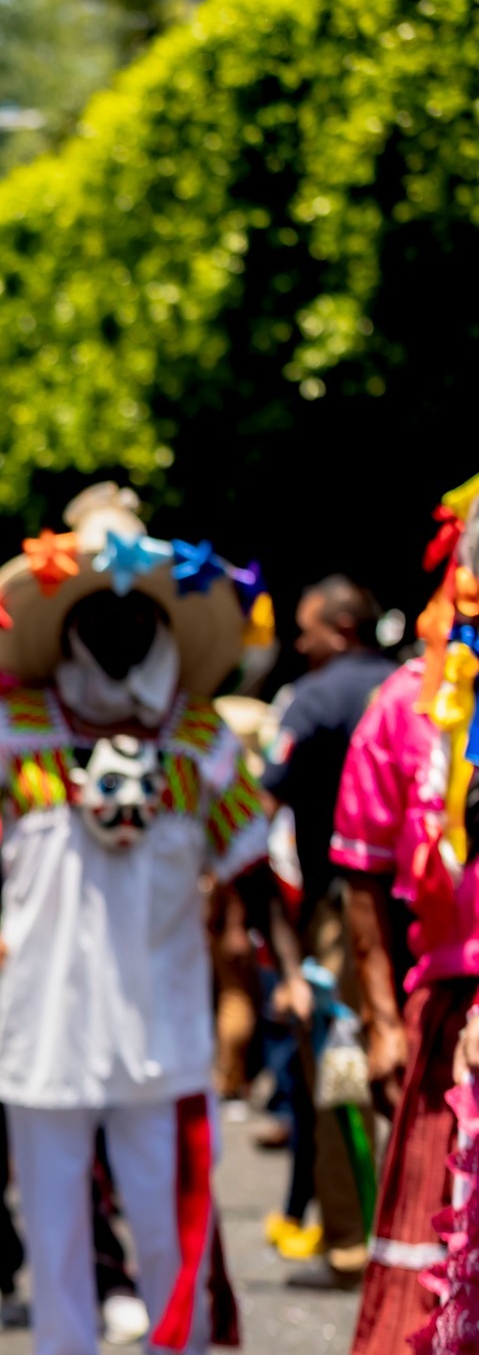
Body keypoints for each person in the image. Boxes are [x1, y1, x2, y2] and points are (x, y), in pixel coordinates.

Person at [0, 485, 273, 1355]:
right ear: (67, 620)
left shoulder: (203, 740)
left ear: (162, 621)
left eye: (135, 612)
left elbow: (253, 861)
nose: (116, 627)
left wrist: (255, 975)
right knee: (55, 1232)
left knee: (166, 1226)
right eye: (96, 611)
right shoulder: (11, 729)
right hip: (44, 1025)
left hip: (164, 1028)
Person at [335, 476, 479, 1355]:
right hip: (447, 1016)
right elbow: (362, 876)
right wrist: (384, 1023)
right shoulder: (404, 706)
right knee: (437, 1262)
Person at [261, 575, 393, 1278]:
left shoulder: (312, 698)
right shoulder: (417, 686)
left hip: (345, 912)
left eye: (307, 629)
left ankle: (351, 1242)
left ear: (341, 630)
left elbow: (260, 803)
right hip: (423, 912)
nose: (298, 641)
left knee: (342, 1066)